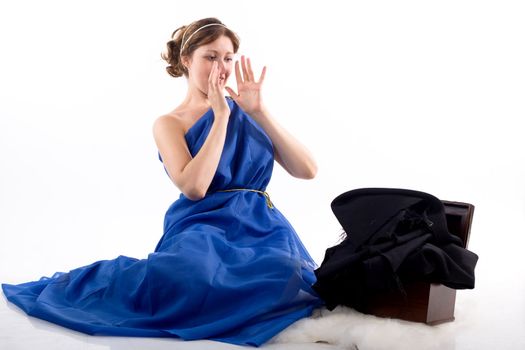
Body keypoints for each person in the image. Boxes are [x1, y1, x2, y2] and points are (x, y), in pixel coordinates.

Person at [2, 17, 323, 347]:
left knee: (286, 275)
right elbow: (195, 187)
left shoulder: (248, 110)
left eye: (228, 58)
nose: (222, 67)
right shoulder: (170, 122)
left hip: (260, 225)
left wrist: (258, 111)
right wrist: (220, 118)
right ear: (187, 60)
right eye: (210, 57)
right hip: (203, 224)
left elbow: (307, 170)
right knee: (194, 276)